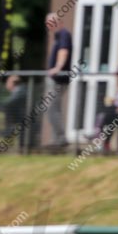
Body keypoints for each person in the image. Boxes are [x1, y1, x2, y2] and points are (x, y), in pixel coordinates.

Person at [46, 12, 72, 150]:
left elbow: (64, 52)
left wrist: (57, 67)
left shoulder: (63, 34)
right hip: (56, 79)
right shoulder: (58, 36)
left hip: (59, 80)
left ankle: (60, 138)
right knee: (54, 109)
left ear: (59, 22)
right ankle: (57, 138)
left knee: (51, 108)